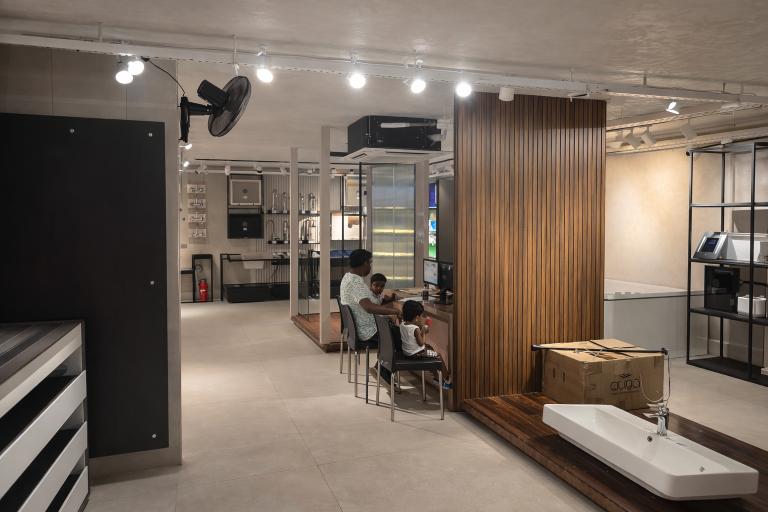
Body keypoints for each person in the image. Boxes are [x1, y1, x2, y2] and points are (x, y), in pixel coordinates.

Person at [339, 249, 400, 344]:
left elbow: (369, 303)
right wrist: (396, 311)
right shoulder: (355, 282)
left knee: (400, 331)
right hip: (368, 332)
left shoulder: (347, 277)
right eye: (370, 263)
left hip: (361, 328)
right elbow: (369, 307)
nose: (370, 266)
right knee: (407, 335)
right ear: (365, 263)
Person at [399, 300, 452, 389]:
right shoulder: (415, 329)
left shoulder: (402, 324)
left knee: (430, 348)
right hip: (417, 353)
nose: (421, 318)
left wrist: (421, 329)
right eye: (421, 316)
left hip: (407, 352)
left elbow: (412, 337)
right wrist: (423, 332)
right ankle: (447, 379)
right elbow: (421, 343)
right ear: (417, 317)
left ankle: (436, 377)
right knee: (438, 356)